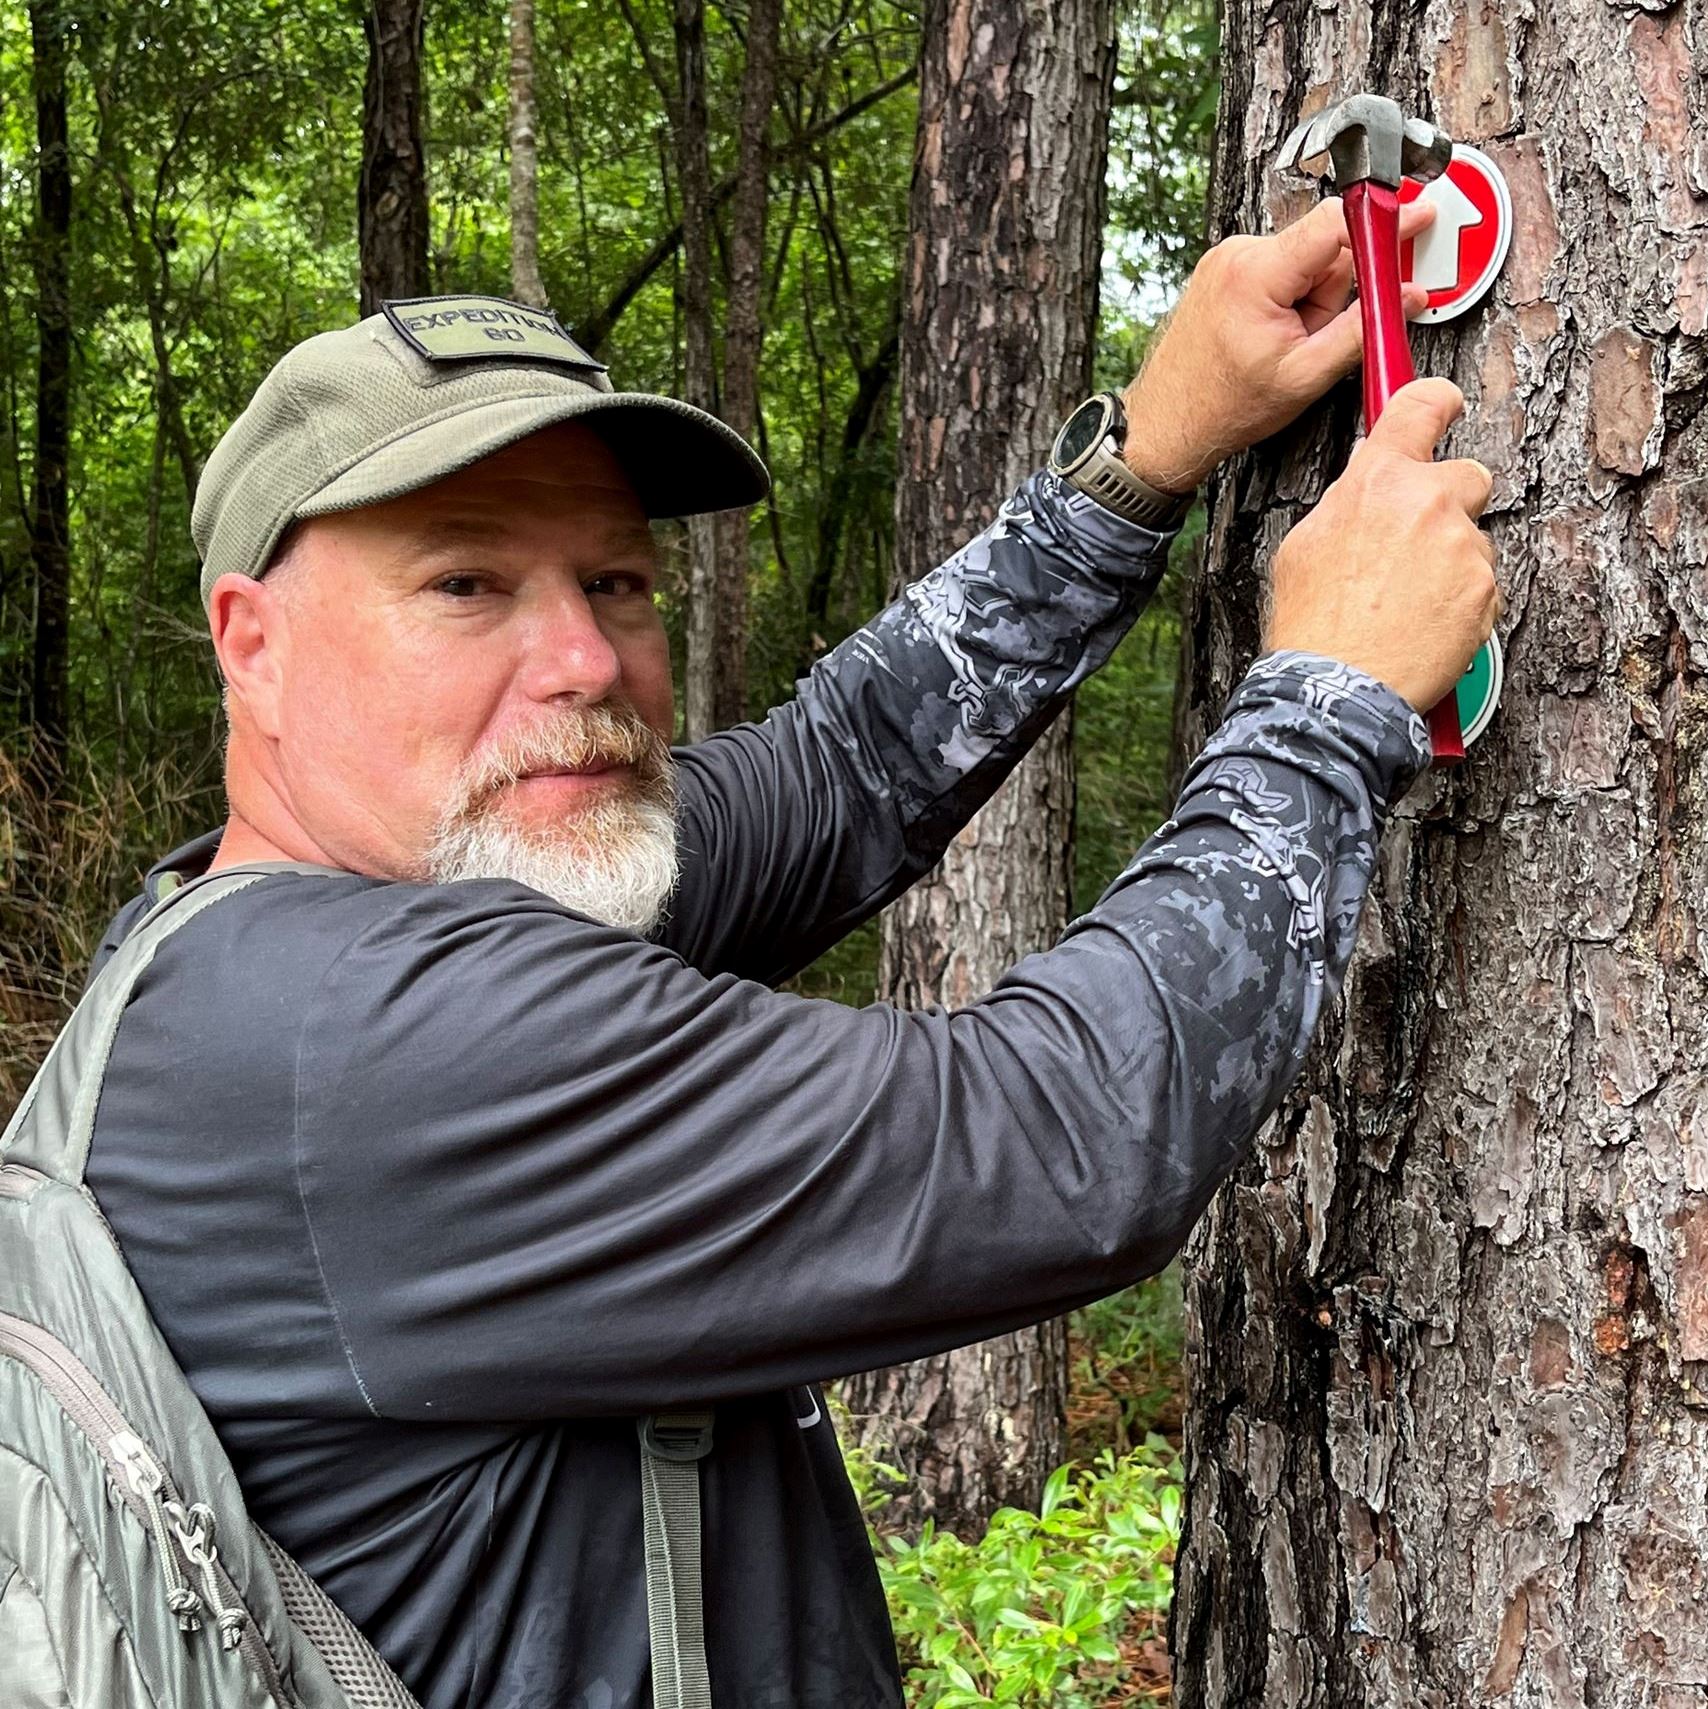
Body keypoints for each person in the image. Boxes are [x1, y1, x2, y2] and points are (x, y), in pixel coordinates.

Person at [82, 196, 1497, 1709]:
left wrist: (1138, 455)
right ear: (253, 646)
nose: (580, 660)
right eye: (465, 583)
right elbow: (1067, 1137)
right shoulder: (372, 1045)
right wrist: (1327, 697)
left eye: (614, 582)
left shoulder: (288, 934)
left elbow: (843, 768)